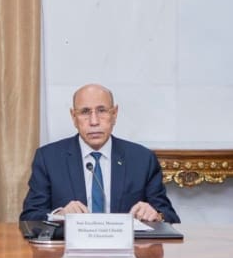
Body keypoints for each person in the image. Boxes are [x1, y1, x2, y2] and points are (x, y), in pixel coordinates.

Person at [20, 83, 180, 223]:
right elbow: (29, 217)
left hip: (126, 247)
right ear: (74, 117)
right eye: (85, 112)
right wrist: (59, 216)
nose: (94, 121)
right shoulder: (49, 159)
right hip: (68, 247)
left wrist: (156, 215)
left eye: (102, 110)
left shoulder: (142, 159)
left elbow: (170, 217)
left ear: (114, 114)